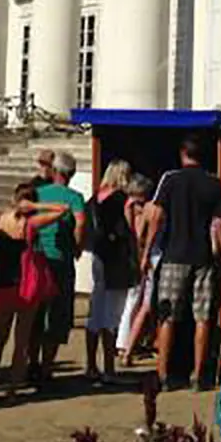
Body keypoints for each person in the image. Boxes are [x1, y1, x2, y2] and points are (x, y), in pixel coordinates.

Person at [145, 136, 221, 391]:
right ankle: (198, 373)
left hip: (174, 254)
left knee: (167, 315)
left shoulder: (171, 179)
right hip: (202, 255)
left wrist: (146, 251)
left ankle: (162, 374)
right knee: (202, 317)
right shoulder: (214, 183)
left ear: (183, 154)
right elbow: (218, 224)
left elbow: (156, 217)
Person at [0, 181, 71, 401]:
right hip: (25, 284)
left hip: (3, 283)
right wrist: (37, 207)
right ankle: (12, 390)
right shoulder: (31, 224)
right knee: (22, 340)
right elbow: (64, 209)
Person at [32, 151, 88, 383]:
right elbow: (81, 223)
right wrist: (77, 248)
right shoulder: (74, 197)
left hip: (37, 258)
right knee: (57, 314)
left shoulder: (38, 193)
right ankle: (46, 367)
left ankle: (32, 362)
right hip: (61, 260)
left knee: (35, 313)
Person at [83, 160, 137, 386]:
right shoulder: (121, 201)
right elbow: (128, 232)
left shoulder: (94, 199)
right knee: (111, 315)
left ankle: (91, 365)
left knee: (96, 312)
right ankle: (108, 367)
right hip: (116, 259)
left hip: (98, 256)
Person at [115, 175, 161, 367]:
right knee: (138, 302)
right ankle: (126, 343)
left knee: (133, 301)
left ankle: (125, 342)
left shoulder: (129, 208)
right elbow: (139, 235)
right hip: (142, 257)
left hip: (133, 257)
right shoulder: (142, 211)